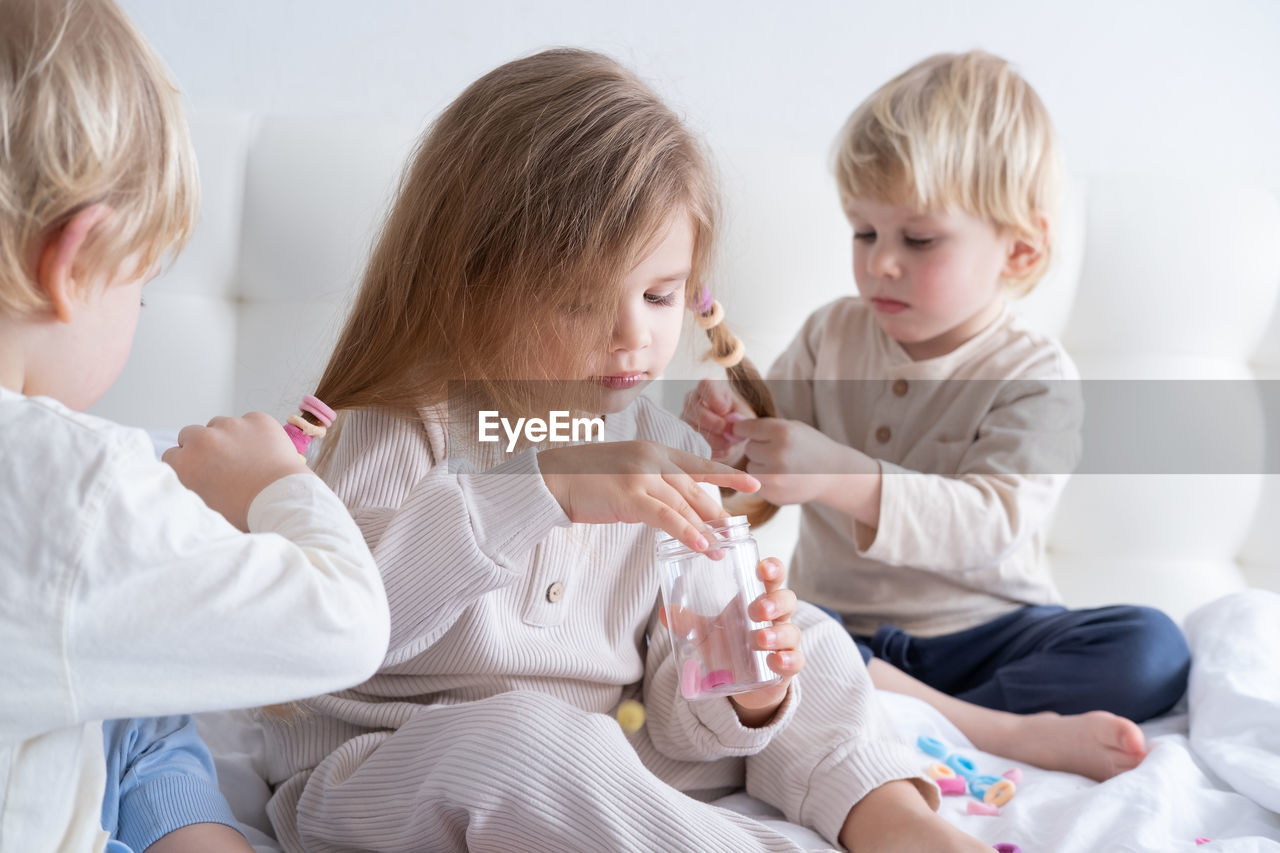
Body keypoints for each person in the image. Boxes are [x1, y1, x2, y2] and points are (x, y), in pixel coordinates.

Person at [262, 48, 989, 853]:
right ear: (469, 279)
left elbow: (685, 725)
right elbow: (346, 620)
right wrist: (543, 481)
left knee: (806, 637)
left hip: (611, 746)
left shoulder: (664, 447)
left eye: (660, 294)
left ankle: (893, 817)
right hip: (389, 769)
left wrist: (746, 686)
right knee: (530, 742)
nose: (633, 336)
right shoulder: (402, 420)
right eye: (579, 298)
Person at [683, 50, 1190, 783]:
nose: (881, 262)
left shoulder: (1033, 374)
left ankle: (907, 713)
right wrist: (732, 434)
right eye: (864, 233)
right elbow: (755, 473)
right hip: (840, 630)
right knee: (766, 637)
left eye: (917, 239)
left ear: (1019, 248)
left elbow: (989, 522)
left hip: (991, 634)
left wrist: (841, 474)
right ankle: (1002, 732)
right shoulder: (832, 334)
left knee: (1153, 647)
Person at [0, 1, 391, 848]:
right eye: (138, 289)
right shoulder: (81, 487)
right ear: (69, 264)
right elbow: (349, 621)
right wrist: (277, 485)